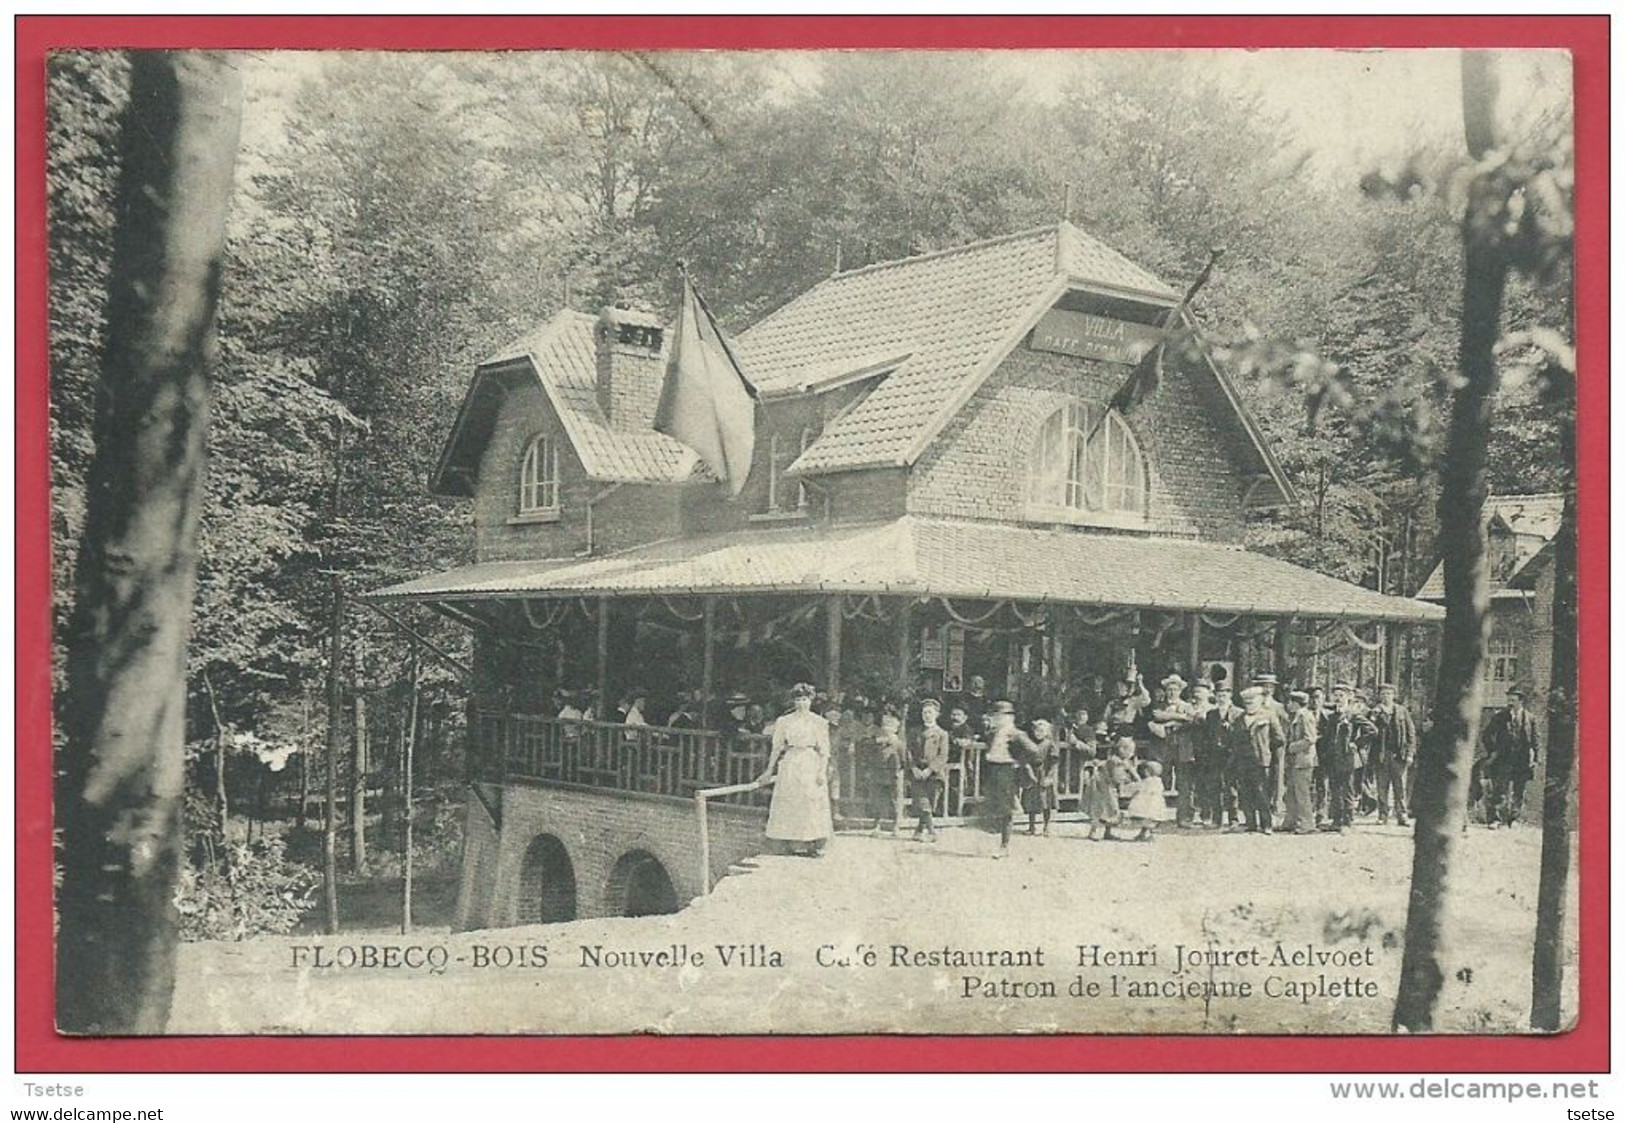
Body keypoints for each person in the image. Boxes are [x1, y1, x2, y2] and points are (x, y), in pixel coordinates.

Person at [757, 682, 834, 857]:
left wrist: (821, 771)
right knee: (791, 800)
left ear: (811, 700)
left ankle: (812, 842)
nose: (801, 703)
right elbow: (777, 747)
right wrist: (769, 769)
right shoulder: (784, 721)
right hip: (791, 761)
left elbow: (824, 750)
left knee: (810, 801)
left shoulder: (818, 722)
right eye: (798, 699)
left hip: (810, 762)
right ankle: (793, 842)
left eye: (805, 699)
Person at [981, 700, 1039, 858]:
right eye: (995, 715)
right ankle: (998, 838)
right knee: (994, 804)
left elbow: (1034, 750)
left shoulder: (1016, 734)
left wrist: (1019, 760)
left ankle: (1004, 845)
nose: (996, 719)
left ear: (1009, 717)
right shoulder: (992, 733)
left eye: (999, 716)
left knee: (1006, 809)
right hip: (993, 768)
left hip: (1007, 770)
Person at [1482, 687, 1540, 827]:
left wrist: (1535, 759)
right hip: (1503, 758)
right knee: (1499, 789)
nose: (1510, 703)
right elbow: (1487, 735)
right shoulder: (1500, 717)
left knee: (1519, 791)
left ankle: (1514, 819)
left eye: (1513, 700)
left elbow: (1535, 740)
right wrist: (1493, 751)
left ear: (1521, 701)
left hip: (1522, 759)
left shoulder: (1530, 718)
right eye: (1508, 699)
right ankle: (1494, 819)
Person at [1321, 682, 1375, 832]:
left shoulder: (1353, 715)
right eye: (1336, 696)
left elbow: (1372, 730)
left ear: (1348, 698)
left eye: (1341, 696)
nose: (1338, 699)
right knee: (1335, 790)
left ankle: (1348, 821)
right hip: (1333, 758)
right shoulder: (1332, 716)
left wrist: (1357, 743)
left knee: (1348, 790)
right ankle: (1336, 820)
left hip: (1347, 758)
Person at [1368, 682, 1417, 826]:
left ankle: (1401, 815)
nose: (1386, 696)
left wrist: (1410, 753)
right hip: (1381, 754)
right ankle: (1383, 815)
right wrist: (1373, 716)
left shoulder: (1402, 711)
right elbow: (1369, 731)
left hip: (1399, 755)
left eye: (1388, 693)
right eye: (1383, 694)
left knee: (1400, 786)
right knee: (1382, 787)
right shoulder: (1375, 712)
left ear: (1394, 695)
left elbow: (1411, 733)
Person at [1236, 686, 1283, 834]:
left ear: (1261, 700)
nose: (1250, 703)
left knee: (1262, 793)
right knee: (1246, 792)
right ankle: (1250, 823)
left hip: (1262, 761)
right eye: (1247, 701)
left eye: (1253, 700)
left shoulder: (1269, 716)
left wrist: (1267, 752)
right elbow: (1233, 739)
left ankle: (1266, 824)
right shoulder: (1239, 718)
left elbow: (1279, 738)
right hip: (1243, 760)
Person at [907, 698, 950, 842]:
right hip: (918, 772)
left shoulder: (942, 734)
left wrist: (930, 770)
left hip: (934, 774)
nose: (927, 715)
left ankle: (919, 829)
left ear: (937, 714)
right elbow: (909, 752)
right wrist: (913, 767)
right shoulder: (915, 732)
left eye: (930, 712)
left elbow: (943, 755)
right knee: (923, 802)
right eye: (924, 712)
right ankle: (932, 833)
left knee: (930, 804)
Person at [1203, 684, 1242, 828]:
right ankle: (1216, 819)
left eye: (1224, 695)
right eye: (1218, 695)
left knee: (1231, 788)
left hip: (1232, 755)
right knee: (1215, 786)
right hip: (1215, 755)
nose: (1221, 698)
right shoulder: (1211, 714)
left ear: (1230, 696)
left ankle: (1233, 819)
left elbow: (1242, 735)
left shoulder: (1238, 713)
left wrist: (1230, 728)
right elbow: (1207, 736)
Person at [861, 710, 905, 836]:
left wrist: (899, 772)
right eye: (884, 725)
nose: (887, 728)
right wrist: (877, 741)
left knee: (895, 801)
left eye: (890, 725)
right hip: (878, 774)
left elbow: (904, 759)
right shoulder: (876, 740)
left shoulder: (899, 743)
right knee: (877, 800)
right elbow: (867, 750)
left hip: (893, 775)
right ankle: (877, 825)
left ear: (896, 728)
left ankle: (896, 826)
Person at [1282, 690, 1318, 834]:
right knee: (1291, 792)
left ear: (1296, 703)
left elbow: (1310, 738)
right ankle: (1290, 821)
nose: (1288, 705)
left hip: (1303, 761)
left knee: (1302, 792)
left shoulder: (1305, 716)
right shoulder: (1297, 716)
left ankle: (1307, 823)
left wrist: (1292, 747)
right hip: (1296, 761)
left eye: (1290, 702)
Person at [1022, 718, 1061, 836]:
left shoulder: (1049, 744)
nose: (1038, 733)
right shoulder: (1030, 743)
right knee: (1031, 799)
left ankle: (1046, 826)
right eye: (1036, 731)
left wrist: (1050, 777)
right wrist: (1028, 770)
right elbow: (1025, 758)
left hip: (1044, 772)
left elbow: (1054, 762)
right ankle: (1031, 826)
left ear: (1046, 732)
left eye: (1041, 731)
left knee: (1046, 800)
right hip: (1032, 773)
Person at [1124, 760, 1173, 842]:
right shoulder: (1159, 781)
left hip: (1147, 803)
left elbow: (1140, 788)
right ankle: (1144, 834)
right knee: (1151, 820)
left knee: (1147, 819)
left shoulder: (1147, 781)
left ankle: (1149, 835)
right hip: (1156, 803)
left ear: (1147, 771)